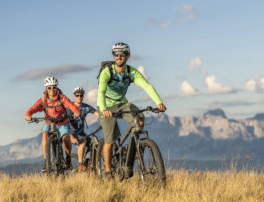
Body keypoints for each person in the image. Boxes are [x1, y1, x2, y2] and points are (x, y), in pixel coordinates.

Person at [97, 42, 166, 178]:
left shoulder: (131, 72)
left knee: (139, 118)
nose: (118, 57)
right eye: (115, 54)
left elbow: (147, 86)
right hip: (106, 105)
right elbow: (101, 91)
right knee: (110, 140)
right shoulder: (107, 72)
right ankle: (108, 171)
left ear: (127, 56)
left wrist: (159, 102)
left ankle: (134, 150)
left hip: (122, 104)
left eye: (121, 54)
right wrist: (104, 109)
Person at [25, 76, 80, 172]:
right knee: (45, 135)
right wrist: (28, 115)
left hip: (62, 123)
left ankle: (67, 158)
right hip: (49, 123)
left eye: (54, 87)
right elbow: (33, 108)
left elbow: (71, 105)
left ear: (56, 87)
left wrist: (76, 112)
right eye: (49, 88)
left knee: (66, 138)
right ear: (46, 88)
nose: (51, 90)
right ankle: (47, 163)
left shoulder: (62, 98)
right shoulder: (43, 100)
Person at [67, 87, 100, 171]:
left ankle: (88, 162)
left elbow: (96, 113)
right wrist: (71, 137)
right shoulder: (69, 107)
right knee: (83, 142)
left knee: (94, 144)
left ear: (83, 96)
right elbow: (65, 123)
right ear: (74, 96)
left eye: (81, 95)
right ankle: (80, 164)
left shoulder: (86, 107)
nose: (79, 97)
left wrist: (104, 116)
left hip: (81, 132)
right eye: (77, 95)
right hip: (71, 133)